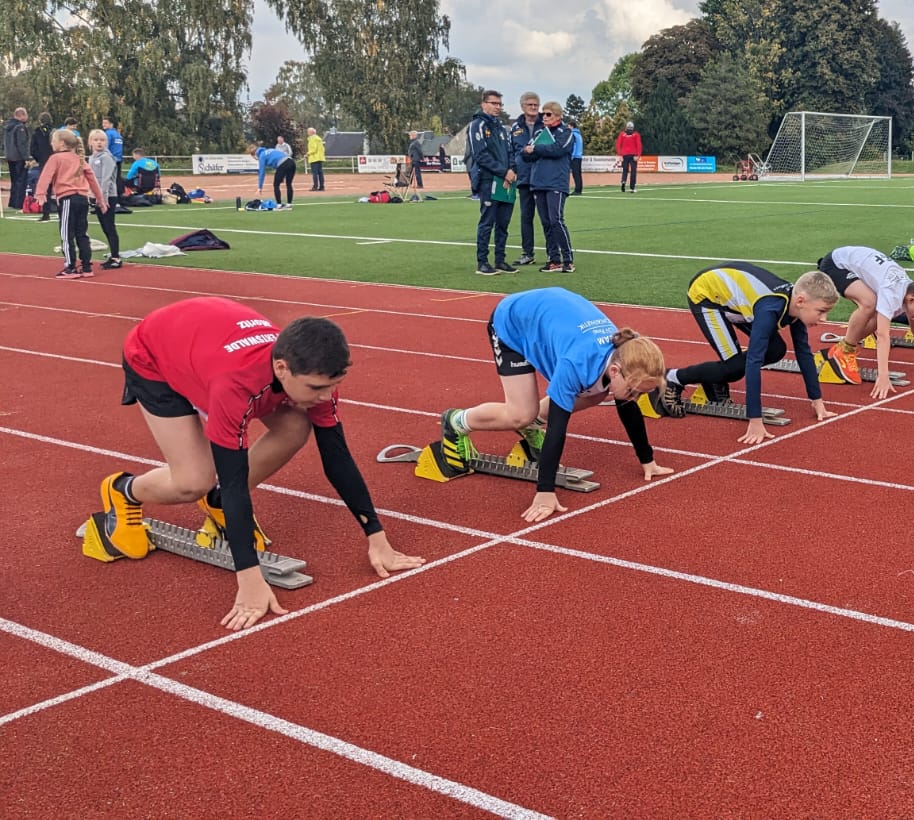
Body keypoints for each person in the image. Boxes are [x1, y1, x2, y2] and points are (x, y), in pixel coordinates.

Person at [87, 297, 425, 629]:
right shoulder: (234, 385)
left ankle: (215, 505)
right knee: (193, 481)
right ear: (282, 367)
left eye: (333, 386)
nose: (325, 396)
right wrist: (249, 579)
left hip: (204, 343)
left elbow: (337, 459)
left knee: (295, 426)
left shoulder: (316, 374)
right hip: (155, 356)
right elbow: (234, 481)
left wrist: (377, 539)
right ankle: (123, 490)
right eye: (317, 388)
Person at [439, 287, 673, 522]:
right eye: (634, 391)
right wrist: (545, 491)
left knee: (597, 394)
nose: (635, 398)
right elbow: (557, 430)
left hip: (550, 313)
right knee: (521, 414)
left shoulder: (626, 353)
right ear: (615, 371)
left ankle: (531, 426)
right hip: (513, 321)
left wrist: (647, 460)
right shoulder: (576, 364)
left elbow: (628, 407)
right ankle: (457, 421)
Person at [658, 264, 839, 444]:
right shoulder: (769, 309)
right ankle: (674, 378)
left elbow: (804, 352)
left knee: (776, 349)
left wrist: (817, 400)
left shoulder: (794, 305)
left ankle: (714, 378)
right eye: (821, 311)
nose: (824, 319)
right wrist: (755, 419)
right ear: (800, 301)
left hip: (738, 302)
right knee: (734, 368)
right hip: (707, 297)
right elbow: (754, 360)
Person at [817, 245, 914, 397]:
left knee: (878, 314)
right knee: (869, 303)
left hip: (857, 263)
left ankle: (843, 347)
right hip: (836, 263)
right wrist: (883, 375)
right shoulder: (892, 293)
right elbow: (883, 336)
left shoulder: (910, 290)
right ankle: (845, 351)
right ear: (912, 300)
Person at [35, 129, 109, 279]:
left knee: (66, 234)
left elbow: (46, 176)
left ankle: (70, 267)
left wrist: (40, 194)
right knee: (82, 234)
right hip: (83, 200)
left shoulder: (56, 158)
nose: (51, 144)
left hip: (68, 199)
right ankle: (87, 267)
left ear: (62, 144)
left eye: (53, 141)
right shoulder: (79, 159)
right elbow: (93, 181)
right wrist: (100, 200)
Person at [467, 89, 518, 275]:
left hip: (506, 182)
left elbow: (511, 151)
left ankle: (500, 260)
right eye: (494, 103)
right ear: (484, 104)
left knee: (503, 223)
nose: (497, 107)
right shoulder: (477, 125)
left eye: (500, 104)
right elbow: (480, 155)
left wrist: (512, 170)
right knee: (487, 222)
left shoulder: (501, 128)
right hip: (489, 180)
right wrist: (504, 171)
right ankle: (482, 262)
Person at [529, 101, 577, 273]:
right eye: (543, 114)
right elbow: (526, 154)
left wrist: (536, 149)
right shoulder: (540, 132)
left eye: (548, 114)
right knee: (546, 223)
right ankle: (553, 259)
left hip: (556, 182)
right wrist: (532, 150)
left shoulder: (567, 133)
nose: (544, 117)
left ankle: (568, 259)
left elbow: (557, 150)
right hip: (538, 182)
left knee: (556, 220)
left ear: (558, 115)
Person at [508, 91, 543, 265]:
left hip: (543, 177)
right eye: (530, 104)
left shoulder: (545, 124)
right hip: (524, 177)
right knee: (526, 217)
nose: (534, 107)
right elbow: (516, 150)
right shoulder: (516, 127)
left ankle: (554, 254)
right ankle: (527, 253)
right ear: (522, 106)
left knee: (548, 218)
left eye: (536, 104)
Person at [86, 129, 124, 269]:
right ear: (90, 142)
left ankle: (116, 257)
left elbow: (106, 179)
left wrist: (103, 199)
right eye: (96, 140)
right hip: (97, 196)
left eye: (102, 140)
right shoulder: (91, 158)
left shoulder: (106, 157)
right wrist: (91, 194)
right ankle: (113, 255)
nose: (99, 143)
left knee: (109, 226)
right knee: (105, 227)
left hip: (108, 196)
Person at [250, 143, 297, 209]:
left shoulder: (261, 156)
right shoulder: (270, 150)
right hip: (291, 162)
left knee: (276, 185)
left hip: (283, 164)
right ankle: (289, 204)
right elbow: (277, 161)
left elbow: (262, 172)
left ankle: (279, 204)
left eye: (254, 158)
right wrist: (282, 177)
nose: (255, 159)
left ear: (255, 154)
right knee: (289, 184)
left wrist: (260, 187)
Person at [30, 112, 55, 223]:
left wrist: (39, 159)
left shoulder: (37, 133)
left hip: (44, 162)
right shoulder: (55, 132)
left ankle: (46, 213)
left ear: (40, 121)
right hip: (57, 161)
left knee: (46, 188)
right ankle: (63, 209)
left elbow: (33, 150)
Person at [6, 107, 30, 210]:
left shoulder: (7, 127)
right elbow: (21, 144)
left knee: (14, 181)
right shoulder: (20, 127)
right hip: (19, 157)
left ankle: (12, 202)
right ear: (21, 116)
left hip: (10, 157)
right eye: (26, 115)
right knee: (21, 181)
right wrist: (26, 158)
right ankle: (19, 203)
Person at [616, 120, 641, 193]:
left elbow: (618, 145)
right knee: (633, 171)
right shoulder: (636, 134)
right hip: (633, 155)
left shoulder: (622, 134)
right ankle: (632, 188)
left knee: (625, 170)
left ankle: (623, 182)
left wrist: (620, 155)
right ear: (632, 128)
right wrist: (638, 155)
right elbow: (639, 145)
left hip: (624, 155)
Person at [305, 127, 326, 191]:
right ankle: (322, 186)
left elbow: (314, 149)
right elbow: (322, 149)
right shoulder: (319, 138)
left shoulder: (313, 139)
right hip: (320, 158)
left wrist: (308, 154)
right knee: (320, 173)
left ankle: (315, 186)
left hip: (314, 158)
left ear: (311, 132)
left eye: (308, 132)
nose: (307, 133)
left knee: (315, 173)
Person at [569, 123, 584, 195]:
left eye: (568, 126)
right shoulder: (579, 135)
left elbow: (573, 146)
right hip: (579, 156)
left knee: (575, 174)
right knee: (578, 173)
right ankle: (579, 189)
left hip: (575, 157)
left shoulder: (573, 134)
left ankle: (577, 190)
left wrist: (571, 156)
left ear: (572, 126)